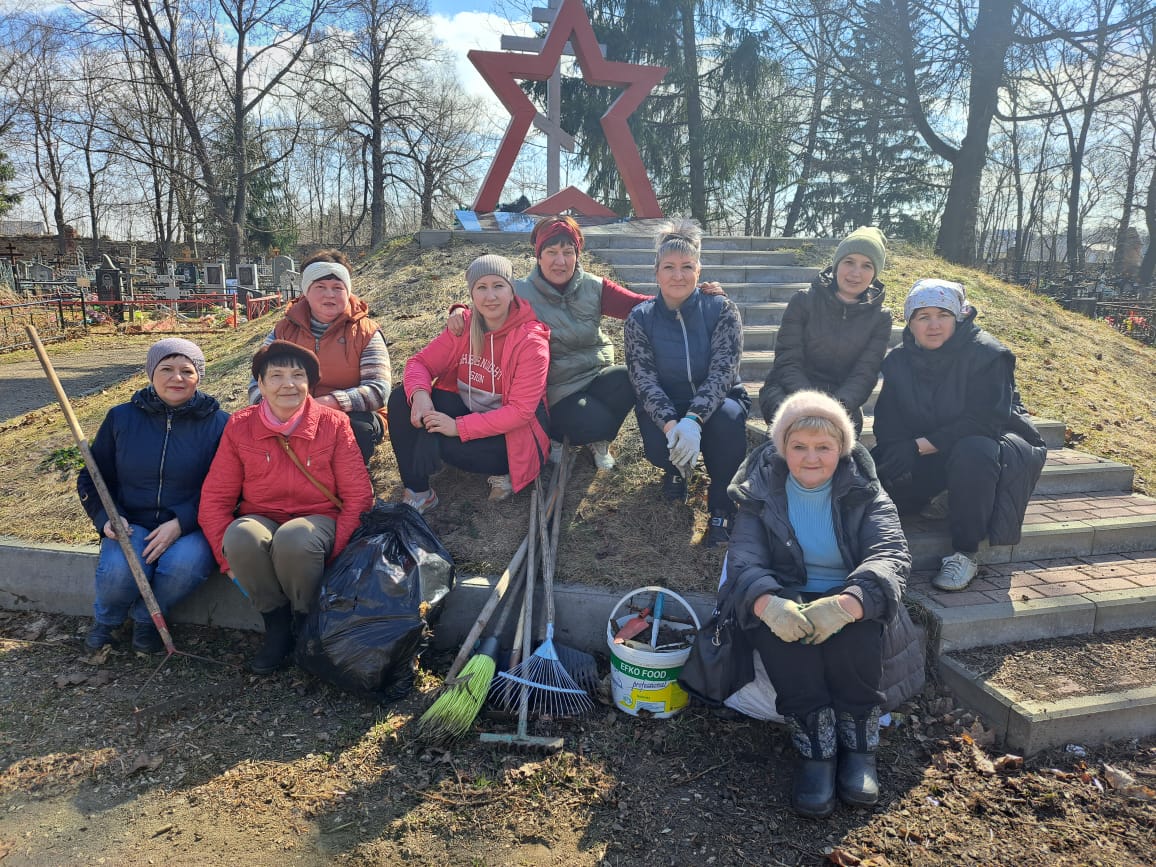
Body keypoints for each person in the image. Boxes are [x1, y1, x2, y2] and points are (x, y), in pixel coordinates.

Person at [725, 390, 911, 817]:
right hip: (787, 594)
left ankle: (860, 750)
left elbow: (890, 555)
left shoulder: (866, 491)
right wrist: (768, 604)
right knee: (783, 644)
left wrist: (848, 604)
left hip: (848, 592)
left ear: (842, 449)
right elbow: (744, 559)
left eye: (824, 447)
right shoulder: (760, 494)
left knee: (858, 639)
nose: (812, 458)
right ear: (782, 449)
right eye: (800, 447)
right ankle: (817, 755)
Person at [447, 215, 724, 469]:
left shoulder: (594, 286)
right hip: (556, 389)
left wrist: (691, 293)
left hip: (595, 373)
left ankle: (598, 441)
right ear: (538, 256)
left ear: (577, 255)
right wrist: (459, 310)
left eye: (568, 252)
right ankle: (558, 438)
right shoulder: (521, 292)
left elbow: (643, 306)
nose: (560, 261)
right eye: (552, 252)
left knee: (631, 380)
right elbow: (488, 306)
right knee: (594, 421)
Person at [200, 341, 374, 674]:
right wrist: (226, 561)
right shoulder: (240, 426)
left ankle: (307, 622)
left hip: (320, 519)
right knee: (241, 535)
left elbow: (358, 496)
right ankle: (276, 624)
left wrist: (336, 554)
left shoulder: (334, 424)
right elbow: (215, 499)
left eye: (298, 375)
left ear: (310, 384)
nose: (288, 384)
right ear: (261, 385)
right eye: (276, 375)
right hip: (262, 514)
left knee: (296, 538)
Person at [871, 279, 1046, 592]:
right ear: (910, 323)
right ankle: (941, 497)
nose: (934, 325)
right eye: (923, 317)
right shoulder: (898, 360)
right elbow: (888, 419)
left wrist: (917, 447)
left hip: (992, 448)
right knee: (876, 470)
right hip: (929, 448)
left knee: (973, 452)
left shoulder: (988, 354)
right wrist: (894, 452)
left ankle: (965, 553)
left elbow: (984, 421)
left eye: (943, 315)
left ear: (959, 317)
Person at [77, 338, 229, 654]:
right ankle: (107, 622)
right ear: (151, 373)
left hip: (191, 524)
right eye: (167, 369)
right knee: (120, 572)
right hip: (131, 520)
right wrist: (107, 517)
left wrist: (181, 521)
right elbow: (92, 478)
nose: (177, 378)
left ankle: (147, 620)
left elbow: (226, 487)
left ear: (199, 375)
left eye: (187, 370)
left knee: (184, 566)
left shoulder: (219, 424)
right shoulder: (121, 418)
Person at [387, 255, 551, 511]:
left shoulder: (531, 342)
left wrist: (457, 427)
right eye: (481, 287)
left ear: (512, 291)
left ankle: (501, 473)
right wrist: (420, 394)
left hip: (508, 435)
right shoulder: (463, 327)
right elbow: (419, 363)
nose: (490, 296)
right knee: (401, 400)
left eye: (498, 286)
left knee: (443, 443)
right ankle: (419, 492)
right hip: (468, 408)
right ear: (472, 294)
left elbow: (521, 412)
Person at [624, 219, 749, 546]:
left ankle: (722, 502)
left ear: (699, 269)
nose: (678, 275)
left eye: (686, 266)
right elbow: (643, 378)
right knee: (660, 449)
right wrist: (671, 425)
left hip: (717, 402)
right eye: (669, 267)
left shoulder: (722, 309)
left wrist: (693, 421)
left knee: (728, 423)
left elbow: (724, 371)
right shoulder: (640, 318)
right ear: (657, 272)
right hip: (666, 403)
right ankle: (676, 470)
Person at [250, 250, 390, 464]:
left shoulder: (365, 332)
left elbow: (378, 390)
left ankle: (352, 487)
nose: (329, 295)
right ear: (306, 291)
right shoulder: (284, 330)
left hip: (349, 413)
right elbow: (257, 381)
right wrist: (279, 408)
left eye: (337, 288)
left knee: (357, 428)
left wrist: (324, 404)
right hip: (290, 409)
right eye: (320, 287)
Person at [758, 226, 892, 433]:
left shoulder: (880, 318)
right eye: (849, 262)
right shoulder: (803, 301)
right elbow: (788, 361)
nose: (856, 273)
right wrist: (811, 404)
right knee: (795, 431)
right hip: (788, 392)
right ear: (836, 265)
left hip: (841, 402)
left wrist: (837, 406)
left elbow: (865, 373)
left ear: (875, 273)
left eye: (866, 265)